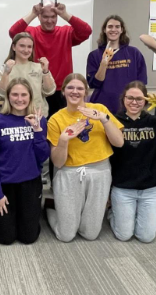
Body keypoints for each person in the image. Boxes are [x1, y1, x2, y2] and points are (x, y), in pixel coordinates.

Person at [46, 73, 124, 242]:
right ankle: (51, 209)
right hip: (69, 173)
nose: (75, 91)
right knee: (66, 235)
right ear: (63, 91)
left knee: (90, 234)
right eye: (70, 87)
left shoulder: (100, 110)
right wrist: (64, 140)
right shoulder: (55, 119)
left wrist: (104, 120)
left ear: (86, 92)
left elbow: (119, 143)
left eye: (80, 88)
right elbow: (58, 162)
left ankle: (74, 215)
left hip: (100, 172)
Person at [108, 81, 156, 243]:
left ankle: (132, 214)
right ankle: (113, 212)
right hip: (123, 187)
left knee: (146, 237)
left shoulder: (154, 122)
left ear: (146, 101)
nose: (134, 102)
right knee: (124, 235)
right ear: (123, 99)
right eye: (130, 98)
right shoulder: (114, 122)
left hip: (150, 188)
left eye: (139, 99)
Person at [0, 78, 49, 245]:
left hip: (30, 184)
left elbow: (42, 157)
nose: (19, 99)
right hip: (4, 186)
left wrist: (37, 131)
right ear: (8, 97)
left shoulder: (39, 120)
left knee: (28, 238)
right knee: (6, 238)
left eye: (23, 95)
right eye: (15, 94)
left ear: (30, 97)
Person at [9, 0, 92, 118]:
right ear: (39, 17)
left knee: (61, 127)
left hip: (62, 92)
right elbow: (13, 33)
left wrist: (65, 14)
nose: (49, 20)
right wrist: (32, 13)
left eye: (53, 16)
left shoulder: (66, 32)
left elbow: (86, 31)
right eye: (45, 16)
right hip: (37, 90)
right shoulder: (31, 32)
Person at [87, 15, 147, 114]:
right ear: (104, 30)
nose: (113, 29)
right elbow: (94, 84)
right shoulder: (94, 55)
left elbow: (141, 84)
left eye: (117, 26)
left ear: (122, 30)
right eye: (110, 26)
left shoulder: (134, 53)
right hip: (102, 107)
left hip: (128, 108)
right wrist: (103, 64)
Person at [0, 32, 56, 117]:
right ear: (14, 47)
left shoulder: (39, 67)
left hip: (37, 117)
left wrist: (45, 72)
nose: (26, 50)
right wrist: (6, 73)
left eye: (29, 47)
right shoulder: (5, 68)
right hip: (12, 117)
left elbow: (49, 91)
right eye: (22, 46)